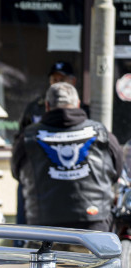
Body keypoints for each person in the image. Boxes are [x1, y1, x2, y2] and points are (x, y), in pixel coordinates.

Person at [11, 81, 122, 232]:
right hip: (94, 229)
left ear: (48, 107)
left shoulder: (28, 138)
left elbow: (16, 172)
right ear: (77, 104)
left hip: (44, 231)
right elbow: (117, 172)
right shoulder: (102, 134)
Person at [16, 61, 84, 223]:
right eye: (54, 79)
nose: (57, 83)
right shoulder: (35, 108)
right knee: (24, 188)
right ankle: (20, 239)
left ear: (73, 81)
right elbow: (19, 144)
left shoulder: (83, 112)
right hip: (40, 171)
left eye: (62, 79)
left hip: (74, 172)